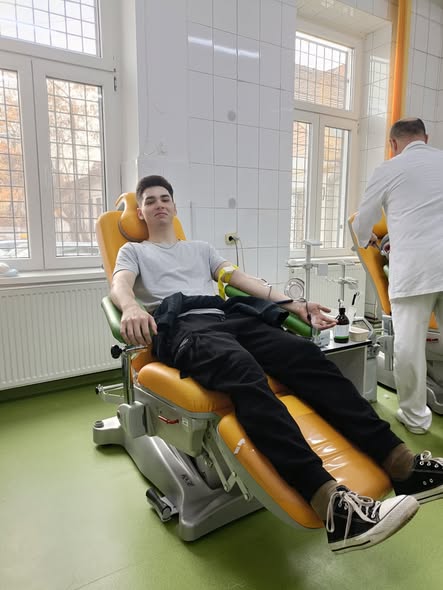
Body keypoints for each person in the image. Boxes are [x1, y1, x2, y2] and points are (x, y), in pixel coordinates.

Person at [110, 174, 443, 555]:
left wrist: (293, 304)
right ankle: (330, 503)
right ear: (141, 212)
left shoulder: (199, 249)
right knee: (243, 371)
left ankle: (402, 463)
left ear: (174, 206)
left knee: (306, 356)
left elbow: (241, 279)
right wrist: (131, 306)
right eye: (150, 200)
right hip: (182, 326)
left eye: (164, 198)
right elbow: (120, 285)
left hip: (226, 316)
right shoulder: (134, 252)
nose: (158, 204)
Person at [353, 117, 443, 435]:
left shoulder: (389, 169)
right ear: (425, 138)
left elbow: (361, 223)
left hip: (414, 272)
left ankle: (415, 419)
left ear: (393, 144)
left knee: (409, 347)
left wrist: (367, 238)